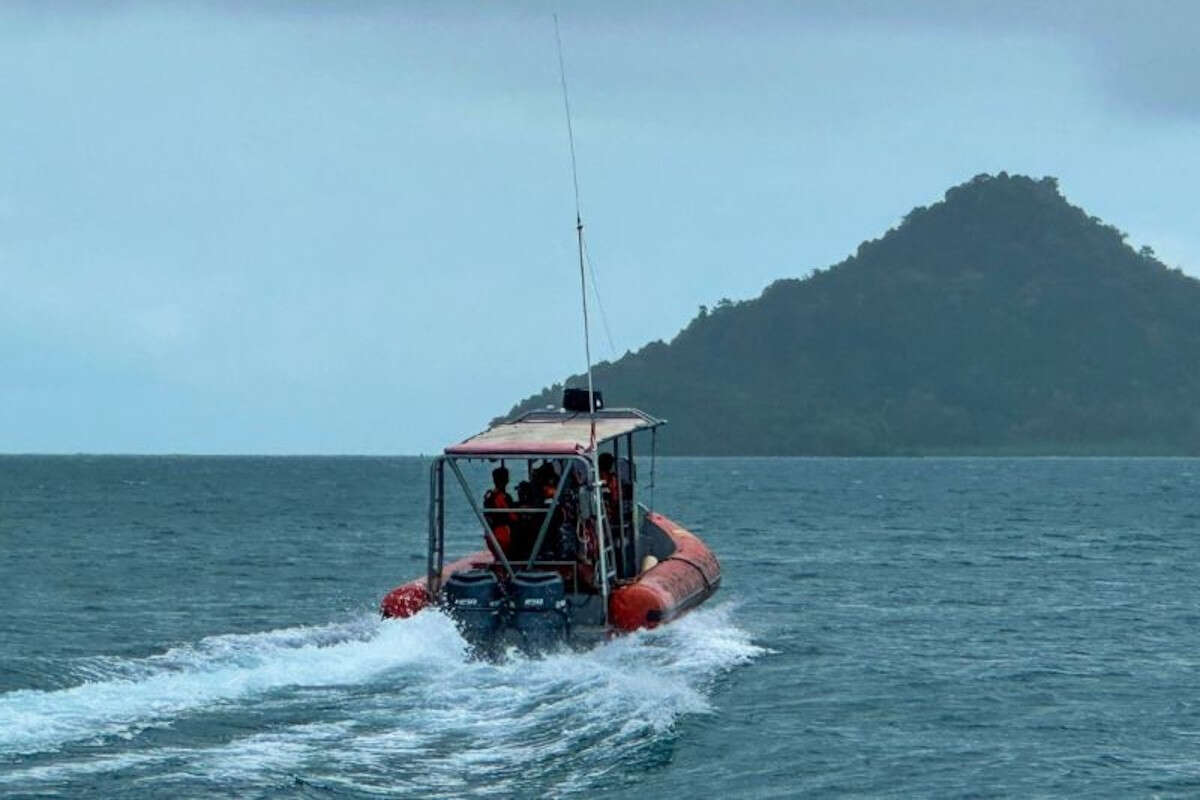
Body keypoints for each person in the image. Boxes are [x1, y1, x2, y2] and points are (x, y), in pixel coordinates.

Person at [482, 466, 516, 559]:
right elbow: (513, 517)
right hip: (502, 536)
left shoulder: (489, 496)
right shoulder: (501, 498)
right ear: (506, 480)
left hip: (491, 535)